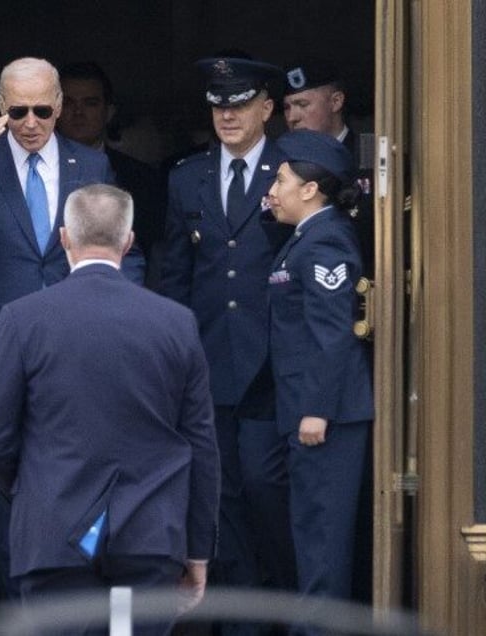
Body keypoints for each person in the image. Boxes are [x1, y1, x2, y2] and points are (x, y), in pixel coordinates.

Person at [0, 57, 144, 597]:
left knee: (80, 501)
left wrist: (127, 320)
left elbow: (120, 247)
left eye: (43, 111)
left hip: (76, 358)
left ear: (60, 107)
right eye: (18, 110)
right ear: (2, 108)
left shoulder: (89, 166)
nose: (30, 122)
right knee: (5, 511)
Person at [0, 184, 220, 636]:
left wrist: (29, 486)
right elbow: (201, 445)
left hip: (54, 536)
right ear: (128, 241)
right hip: (147, 538)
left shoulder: (23, 318)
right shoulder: (176, 323)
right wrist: (198, 550)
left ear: (64, 238)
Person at [160, 56, 296, 633]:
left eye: (239, 105)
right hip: (208, 363)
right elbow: (174, 273)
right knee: (220, 497)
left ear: (266, 108)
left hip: (272, 366)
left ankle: (284, 604)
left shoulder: (292, 172)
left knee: (268, 490)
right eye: (218, 106)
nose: (227, 116)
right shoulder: (185, 176)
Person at [266, 130, 373, 632]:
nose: (273, 188)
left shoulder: (326, 239)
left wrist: (318, 409)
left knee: (323, 539)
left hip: (324, 418)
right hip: (305, 411)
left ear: (310, 189)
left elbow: (333, 336)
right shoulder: (305, 238)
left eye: (282, 178)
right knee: (310, 532)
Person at [57, 61, 167, 286]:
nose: (78, 112)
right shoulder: (33, 174)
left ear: (109, 111)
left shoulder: (144, 180)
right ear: (54, 110)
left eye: (90, 103)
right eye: (68, 103)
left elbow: (154, 257)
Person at [282, 60, 374, 277]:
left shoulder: (369, 154)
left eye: (303, 105)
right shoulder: (280, 161)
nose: (292, 117)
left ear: (336, 101)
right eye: (286, 107)